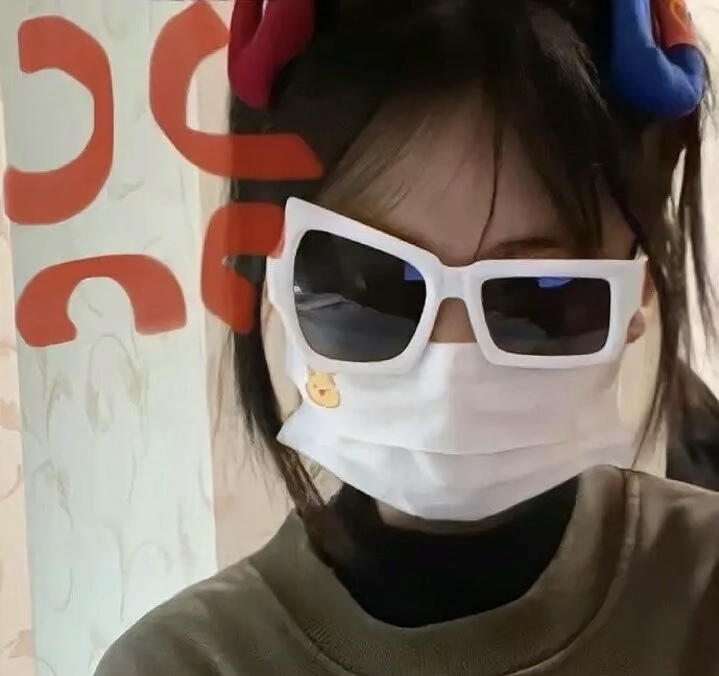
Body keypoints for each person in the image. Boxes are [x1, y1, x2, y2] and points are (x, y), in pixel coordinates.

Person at [96, 0, 719, 674]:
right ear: (277, 277)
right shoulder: (181, 664)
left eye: (536, 296)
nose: (448, 365)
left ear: (636, 296)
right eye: (370, 284)